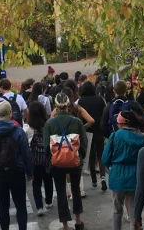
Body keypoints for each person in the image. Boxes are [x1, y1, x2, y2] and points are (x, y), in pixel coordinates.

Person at [0, 102, 34, 230]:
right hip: (16, 171)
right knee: (21, 205)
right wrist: (30, 172)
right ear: (10, 114)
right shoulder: (18, 131)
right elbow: (26, 154)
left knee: (3, 207)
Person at [44, 93, 88, 230]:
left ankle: (65, 225)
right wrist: (81, 157)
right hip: (74, 161)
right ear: (68, 105)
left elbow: (46, 146)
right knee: (75, 189)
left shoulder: (50, 123)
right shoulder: (77, 122)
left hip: (56, 162)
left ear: (55, 106)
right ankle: (78, 221)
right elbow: (84, 144)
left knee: (61, 191)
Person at [103, 111, 144, 230]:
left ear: (122, 123)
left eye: (117, 123)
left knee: (117, 210)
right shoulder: (142, 137)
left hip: (117, 175)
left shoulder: (115, 135)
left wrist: (111, 167)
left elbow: (105, 158)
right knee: (134, 209)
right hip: (135, 175)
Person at [77, 81, 108, 191]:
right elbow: (105, 113)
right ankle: (103, 177)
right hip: (99, 130)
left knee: (90, 155)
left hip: (87, 131)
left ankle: (94, 180)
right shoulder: (99, 99)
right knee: (100, 154)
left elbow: (79, 116)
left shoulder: (81, 101)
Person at [28, 98, 54, 216]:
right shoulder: (48, 124)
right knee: (48, 180)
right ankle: (48, 202)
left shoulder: (29, 128)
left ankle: (39, 207)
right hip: (48, 158)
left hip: (35, 160)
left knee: (36, 183)